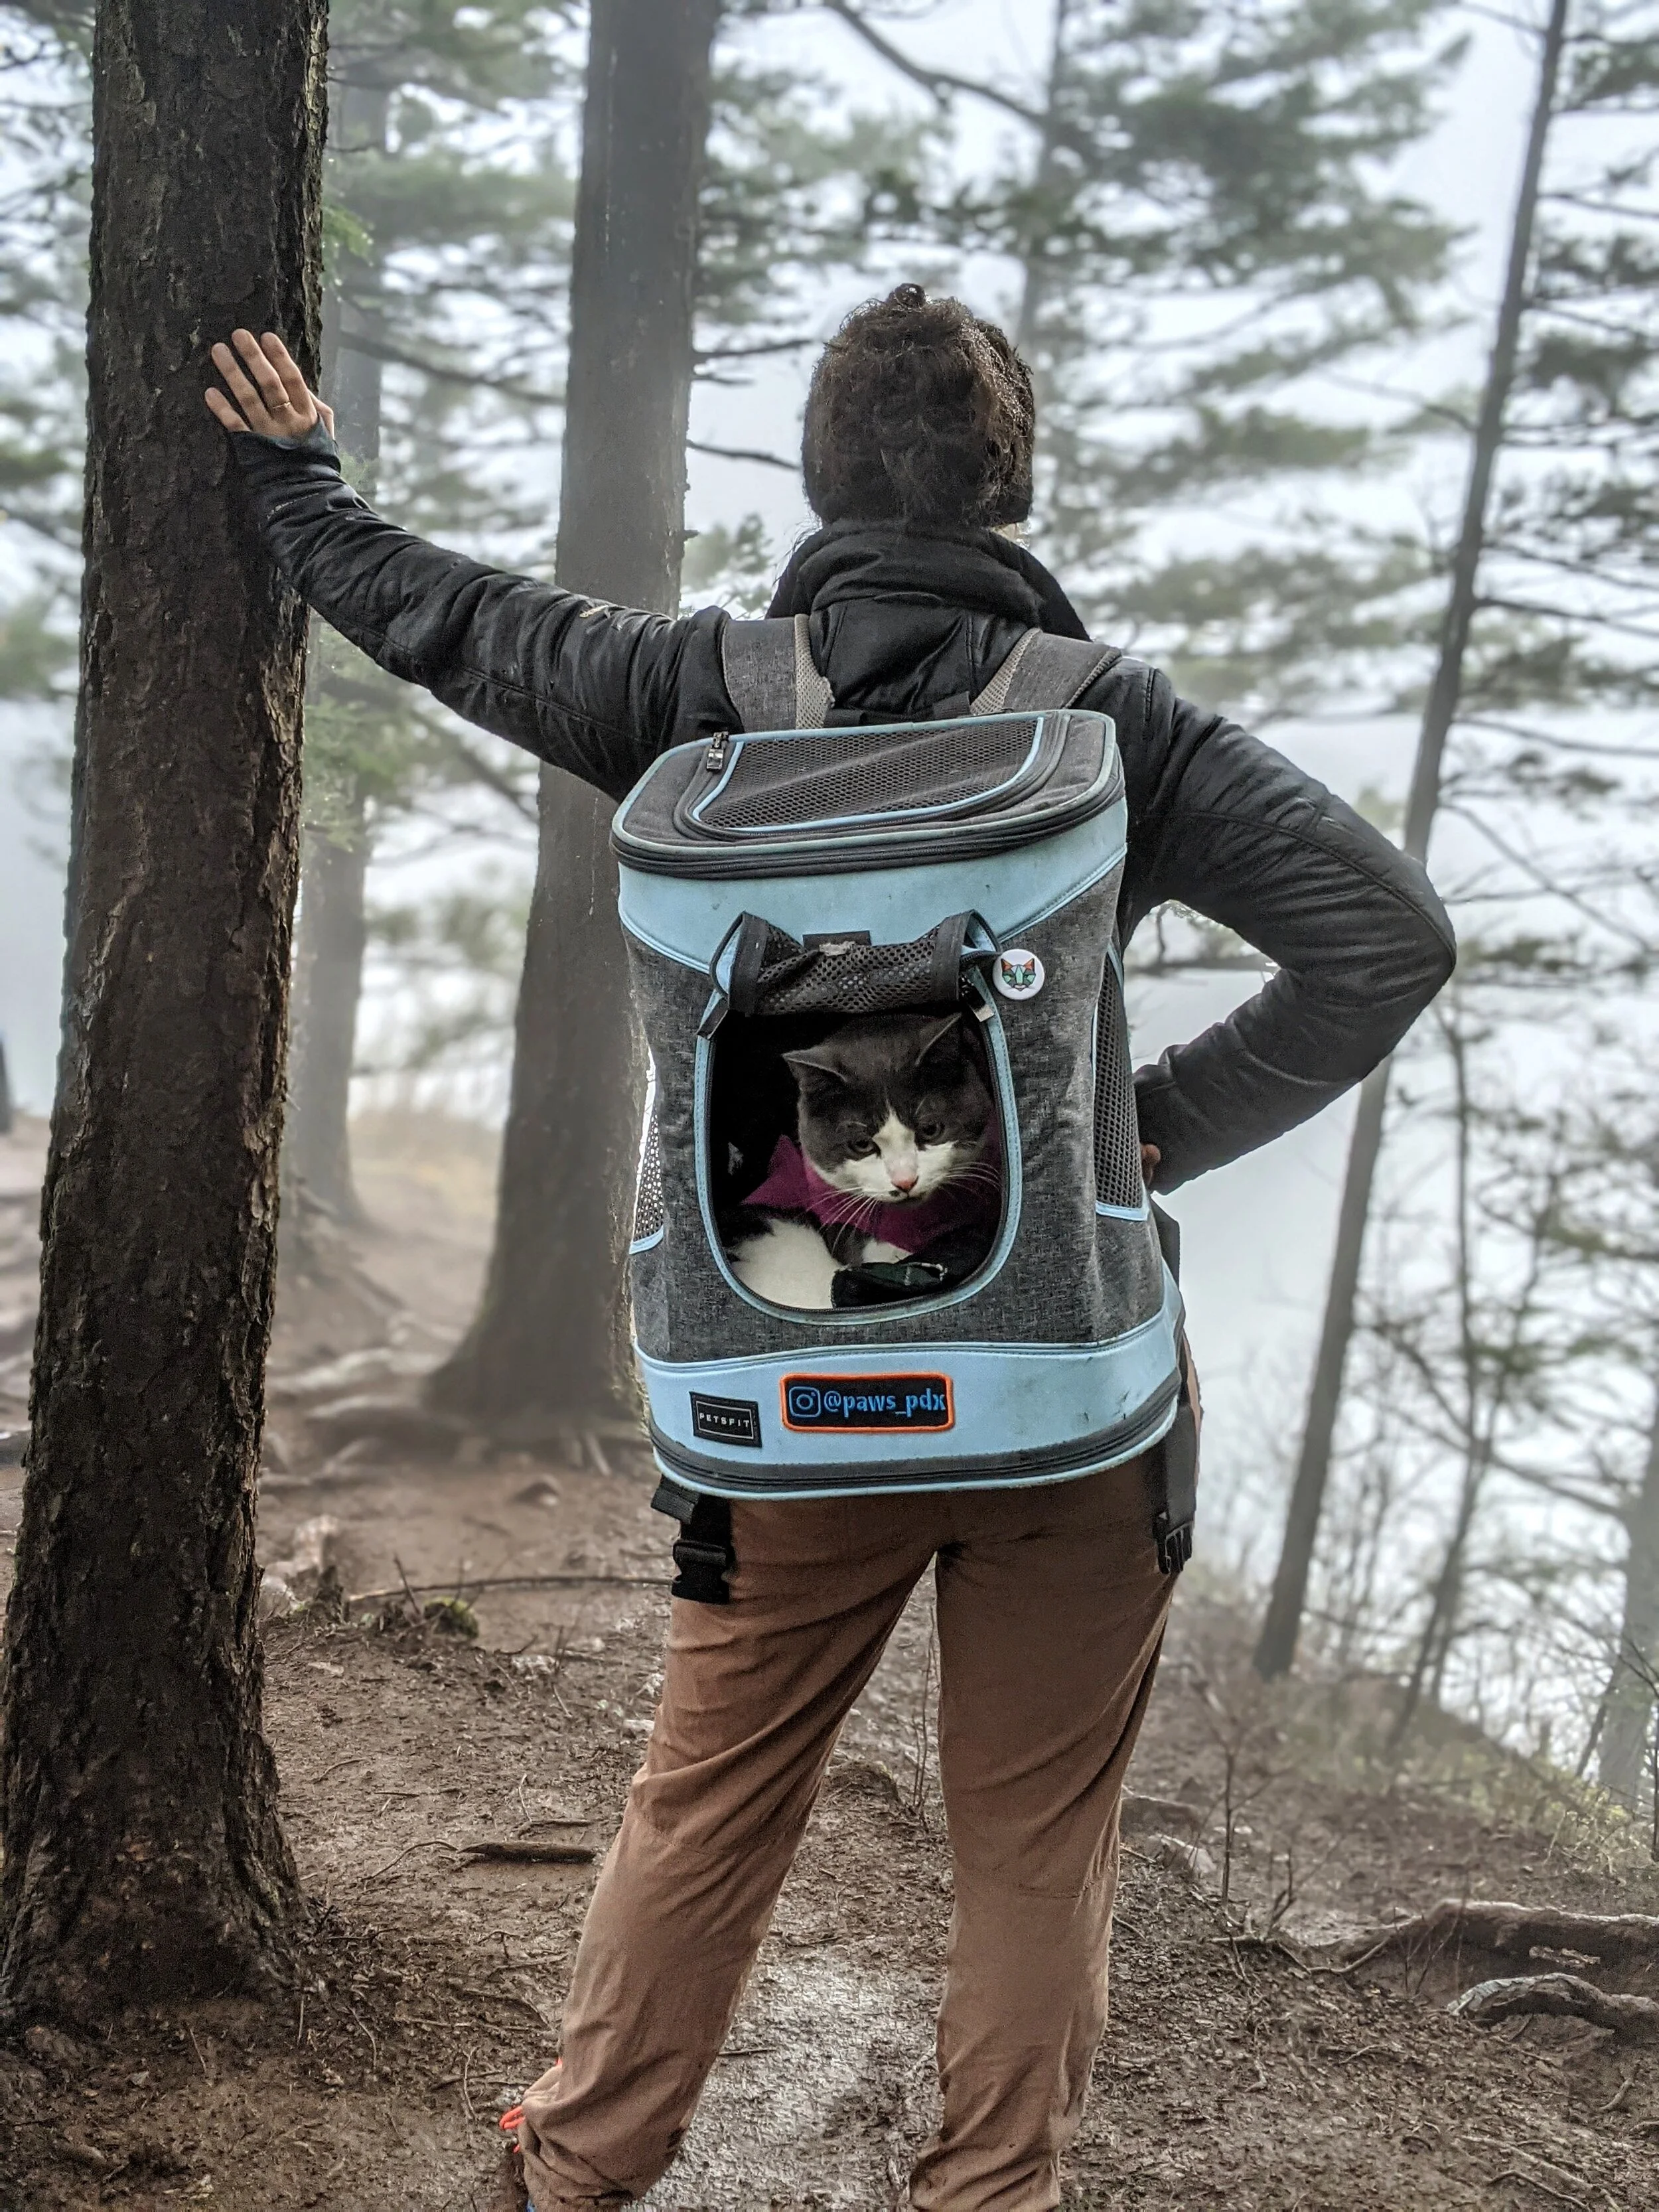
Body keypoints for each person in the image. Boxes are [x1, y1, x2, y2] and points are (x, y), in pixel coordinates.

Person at [206, 287, 1454, 2211]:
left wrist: (297, 490)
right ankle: (985, 2194)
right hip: (1066, 1396)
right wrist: (1142, 1135)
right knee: (1033, 1842)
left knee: (705, 1800)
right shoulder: (1113, 720)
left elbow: (441, 618)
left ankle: (577, 2162)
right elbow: (1385, 938)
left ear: (814, 478)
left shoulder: (686, 685)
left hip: (785, 1384)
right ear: (1010, 481)